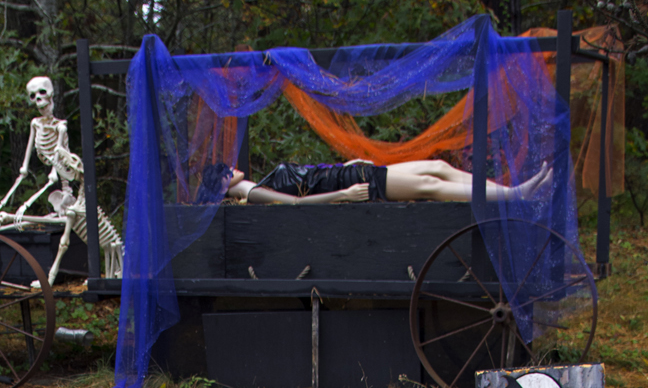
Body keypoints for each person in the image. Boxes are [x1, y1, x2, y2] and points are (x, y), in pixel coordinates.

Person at [221, 158, 551, 205]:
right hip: (354, 182)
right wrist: (344, 195)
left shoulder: (254, 182)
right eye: (224, 172)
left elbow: (310, 175)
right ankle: (511, 197)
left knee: (438, 166)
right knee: (428, 186)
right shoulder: (247, 191)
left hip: (351, 169)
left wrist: (346, 164)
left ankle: (509, 191)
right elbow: (296, 203)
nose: (232, 168)